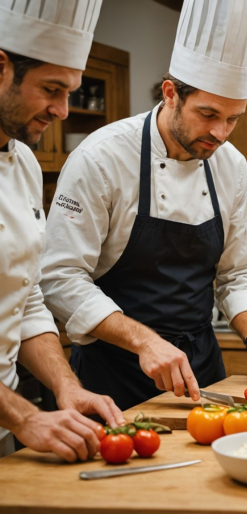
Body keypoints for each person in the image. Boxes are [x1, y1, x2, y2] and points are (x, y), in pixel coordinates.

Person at [40, 0, 247, 411]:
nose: (220, 133)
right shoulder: (101, 158)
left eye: (233, 119)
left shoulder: (231, 166)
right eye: (208, 114)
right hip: (113, 373)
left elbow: (238, 274)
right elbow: (60, 276)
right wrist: (145, 341)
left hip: (201, 368)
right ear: (171, 94)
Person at [0, 0, 126, 461]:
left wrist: (65, 385)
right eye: (51, 89)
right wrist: (24, 417)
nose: (63, 110)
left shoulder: (24, 165)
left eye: (71, 92)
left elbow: (26, 299)